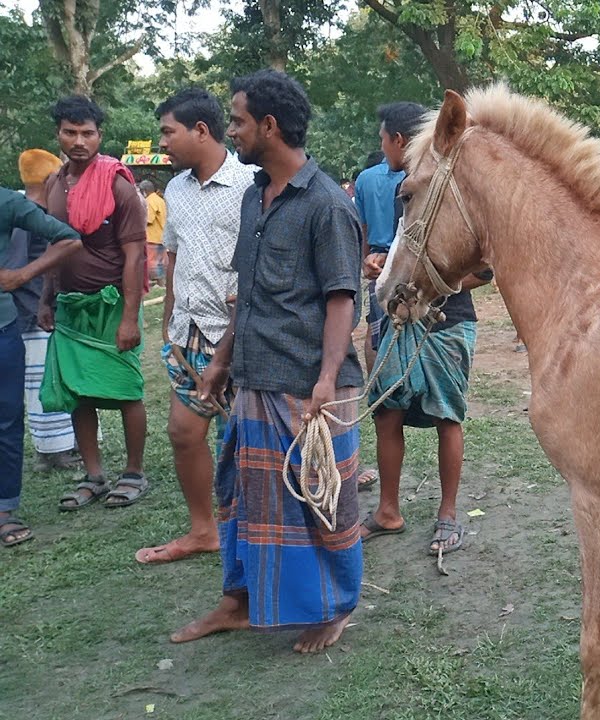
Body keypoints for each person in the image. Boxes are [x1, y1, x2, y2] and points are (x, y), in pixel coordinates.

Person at [171, 69, 364, 654]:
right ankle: (239, 601)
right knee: (243, 496)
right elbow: (251, 291)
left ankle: (334, 610)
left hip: (309, 388)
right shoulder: (256, 195)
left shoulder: (326, 204)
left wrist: (327, 380)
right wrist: (222, 358)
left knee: (322, 503)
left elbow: (341, 299)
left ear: (269, 126)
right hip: (254, 377)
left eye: (237, 120)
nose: (232, 130)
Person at [360, 100, 494, 555]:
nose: (384, 149)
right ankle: (388, 510)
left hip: (444, 322)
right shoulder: (414, 189)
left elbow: (485, 269)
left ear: (405, 141)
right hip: (398, 318)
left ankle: (449, 513)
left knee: (446, 415)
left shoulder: (453, 194)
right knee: (387, 410)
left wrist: (437, 287)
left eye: (384, 140)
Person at [133, 88, 257, 565]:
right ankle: (205, 530)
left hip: (238, 337)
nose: (162, 143)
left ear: (200, 130)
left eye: (168, 132)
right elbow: (174, 255)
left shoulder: (251, 182)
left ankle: (261, 528)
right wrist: (167, 326)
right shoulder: (177, 190)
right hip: (187, 337)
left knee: (248, 443)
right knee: (184, 434)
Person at [41, 95, 150, 511]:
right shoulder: (54, 184)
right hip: (69, 306)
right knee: (78, 392)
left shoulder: (118, 184)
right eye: (70, 132)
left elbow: (135, 255)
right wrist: (48, 298)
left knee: (125, 390)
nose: (79, 140)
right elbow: (56, 245)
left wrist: (129, 317)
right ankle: (94, 475)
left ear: (99, 136)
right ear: (59, 135)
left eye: (87, 133)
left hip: (110, 304)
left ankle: (135, 473)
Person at [0, 185, 82, 547]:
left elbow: (67, 238)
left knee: (6, 419)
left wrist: (20, 276)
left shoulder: (6, 201)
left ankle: (4, 510)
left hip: (2, 329)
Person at [3, 150, 78, 472]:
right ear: (50, 179)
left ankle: (60, 445)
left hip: (34, 308)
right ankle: (53, 450)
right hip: (29, 310)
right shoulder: (27, 216)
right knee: (39, 383)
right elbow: (16, 264)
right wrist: (27, 288)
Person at [354, 111, 408, 376]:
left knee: (375, 331)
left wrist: (366, 260)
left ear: (397, 140)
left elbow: (362, 228)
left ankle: (377, 386)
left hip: (378, 262)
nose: (380, 146)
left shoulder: (364, 179)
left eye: (382, 139)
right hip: (402, 262)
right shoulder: (410, 179)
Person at [139, 180, 167, 285]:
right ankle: (161, 284)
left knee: (152, 263)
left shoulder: (150, 201)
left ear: (145, 191)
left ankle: (153, 284)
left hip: (152, 237)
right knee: (160, 263)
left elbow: (149, 219)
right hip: (161, 235)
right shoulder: (160, 200)